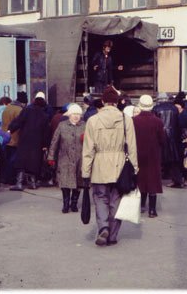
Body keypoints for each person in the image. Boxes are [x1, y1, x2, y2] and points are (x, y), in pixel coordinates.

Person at [82, 86, 138, 246]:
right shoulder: (126, 119)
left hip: (99, 166)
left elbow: (88, 149)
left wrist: (85, 172)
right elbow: (132, 146)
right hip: (120, 167)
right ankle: (112, 235)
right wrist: (134, 168)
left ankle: (103, 228)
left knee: (100, 198)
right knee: (116, 200)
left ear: (103, 102)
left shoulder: (93, 120)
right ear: (117, 102)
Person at [8, 91, 51, 190]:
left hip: (25, 140)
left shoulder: (27, 110)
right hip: (37, 143)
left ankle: (19, 183)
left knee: (21, 162)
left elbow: (18, 121)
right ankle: (32, 183)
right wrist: (45, 144)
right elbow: (46, 132)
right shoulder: (44, 116)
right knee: (34, 162)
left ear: (34, 100)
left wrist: (10, 129)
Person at [47, 104, 86, 213]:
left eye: (78, 114)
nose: (76, 116)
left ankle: (74, 203)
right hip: (65, 158)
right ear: (69, 114)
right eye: (74, 114)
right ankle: (65, 204)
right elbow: (54, 141)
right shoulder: (62, 125)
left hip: (80, 159)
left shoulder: (85, 125)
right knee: (65, 182)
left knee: (78, 182)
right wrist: (51, 156)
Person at [133, 95, 166, 218]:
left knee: (140, 179)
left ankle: (141, 206)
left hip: (137, 154)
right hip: (153, 155)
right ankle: (152, 210)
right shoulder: (158, 121)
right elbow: (162, 140)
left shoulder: (133, 120)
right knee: (152, 180)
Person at [152, 92, 181, 182]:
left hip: (160, 134)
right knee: (172, 156)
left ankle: (160, 174)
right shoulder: (174, 109)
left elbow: (154, 124)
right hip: (172, 134)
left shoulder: (156, 108)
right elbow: (177, 123)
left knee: (160, 155)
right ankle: (172, 175)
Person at [1, 92, 27, 185]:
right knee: (13, 161)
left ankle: (5, 178)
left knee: (7, 159)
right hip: (15, 139)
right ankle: (11, 179)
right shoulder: (20, 110)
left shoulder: (7, 108)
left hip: (5, 138)